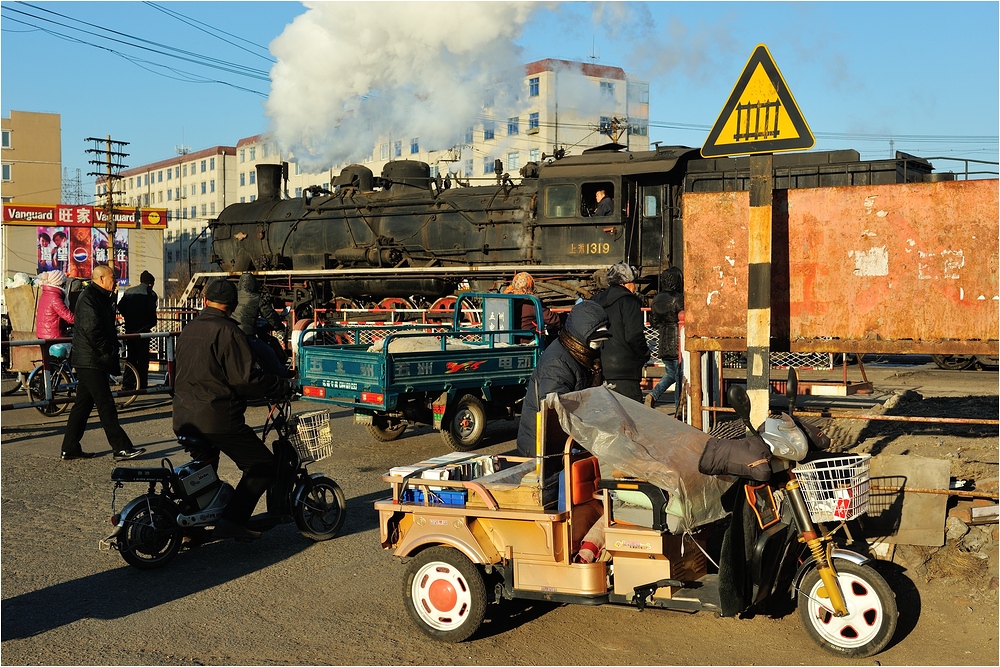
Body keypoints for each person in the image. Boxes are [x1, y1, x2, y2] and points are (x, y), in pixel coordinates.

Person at [173, 278, 290, 541]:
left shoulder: (188, 329)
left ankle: (191, 523)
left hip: (183, 415)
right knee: (261, 466)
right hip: (216, 418)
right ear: (234, 305)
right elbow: (245, 379)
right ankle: (233, 520)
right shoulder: (229, 332)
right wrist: (281, 386)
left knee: (205, 468)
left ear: (204, 302)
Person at [60, 265, 146, 461]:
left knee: (82, 406)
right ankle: (121, 447)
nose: (115, 281)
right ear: (100, 279)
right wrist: (109, 350)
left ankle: (70, 447)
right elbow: (93, 331)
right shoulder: (89, 298)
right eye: (112, 278)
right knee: (105, 404)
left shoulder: (100, 297)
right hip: (91, 359)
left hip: (91, 358)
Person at [516, 300, 611, 456]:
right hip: (542, 447)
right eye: (595, 339)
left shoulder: (584, 354)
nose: (598, 344)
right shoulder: (558, 362)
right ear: (581, 333)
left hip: (566, 442)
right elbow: (554, 411)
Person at [591, 262, 650, 403]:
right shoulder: (629, 301)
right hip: (626, 370)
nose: (635, 286)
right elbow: (633, 335)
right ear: (625, 283)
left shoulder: (595, 301)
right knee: (632, 416)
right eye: (633, 282)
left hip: (601, 367)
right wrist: (644, 354)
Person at [645, 267, 684, 412]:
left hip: (663, 342)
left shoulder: (656, 299)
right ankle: (678, 409)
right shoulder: (678, 298)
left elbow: (654, 322)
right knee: (679, 375)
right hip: (677, 342)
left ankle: (653, 394)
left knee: (671, 374)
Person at [117, 270, 158, 388]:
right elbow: (151, 312)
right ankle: (142, 384)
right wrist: (151, 323)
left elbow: (120, 306)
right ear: (151, 283)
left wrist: (128, 317)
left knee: (131, 357)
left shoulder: (129, 291)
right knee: (143, 358)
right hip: (144, 331)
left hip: (130, 329)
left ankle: (128, 384)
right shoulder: (151, 294)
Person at [503, 271, 562, 345]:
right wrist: (564, 318)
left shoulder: (506, 300)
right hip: (528, 344)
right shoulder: (531, 303)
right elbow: (553, 320)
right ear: (530, 286)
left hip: (510, 343)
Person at [234, 272, 286, 344]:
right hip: (248, 336)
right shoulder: (256, 298)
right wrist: (279, 327)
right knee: (268, 353)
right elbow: (270, 315)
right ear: (254, 284)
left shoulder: (234, 296)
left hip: (233, 334)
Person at [35, 270, 75, 364]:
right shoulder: (55, 297)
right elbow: (67, 315)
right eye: (64, 283)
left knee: (50, 365)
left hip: (43, 335)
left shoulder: (45, 294)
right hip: (54, 336)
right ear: (59, 283)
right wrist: (81, 320)